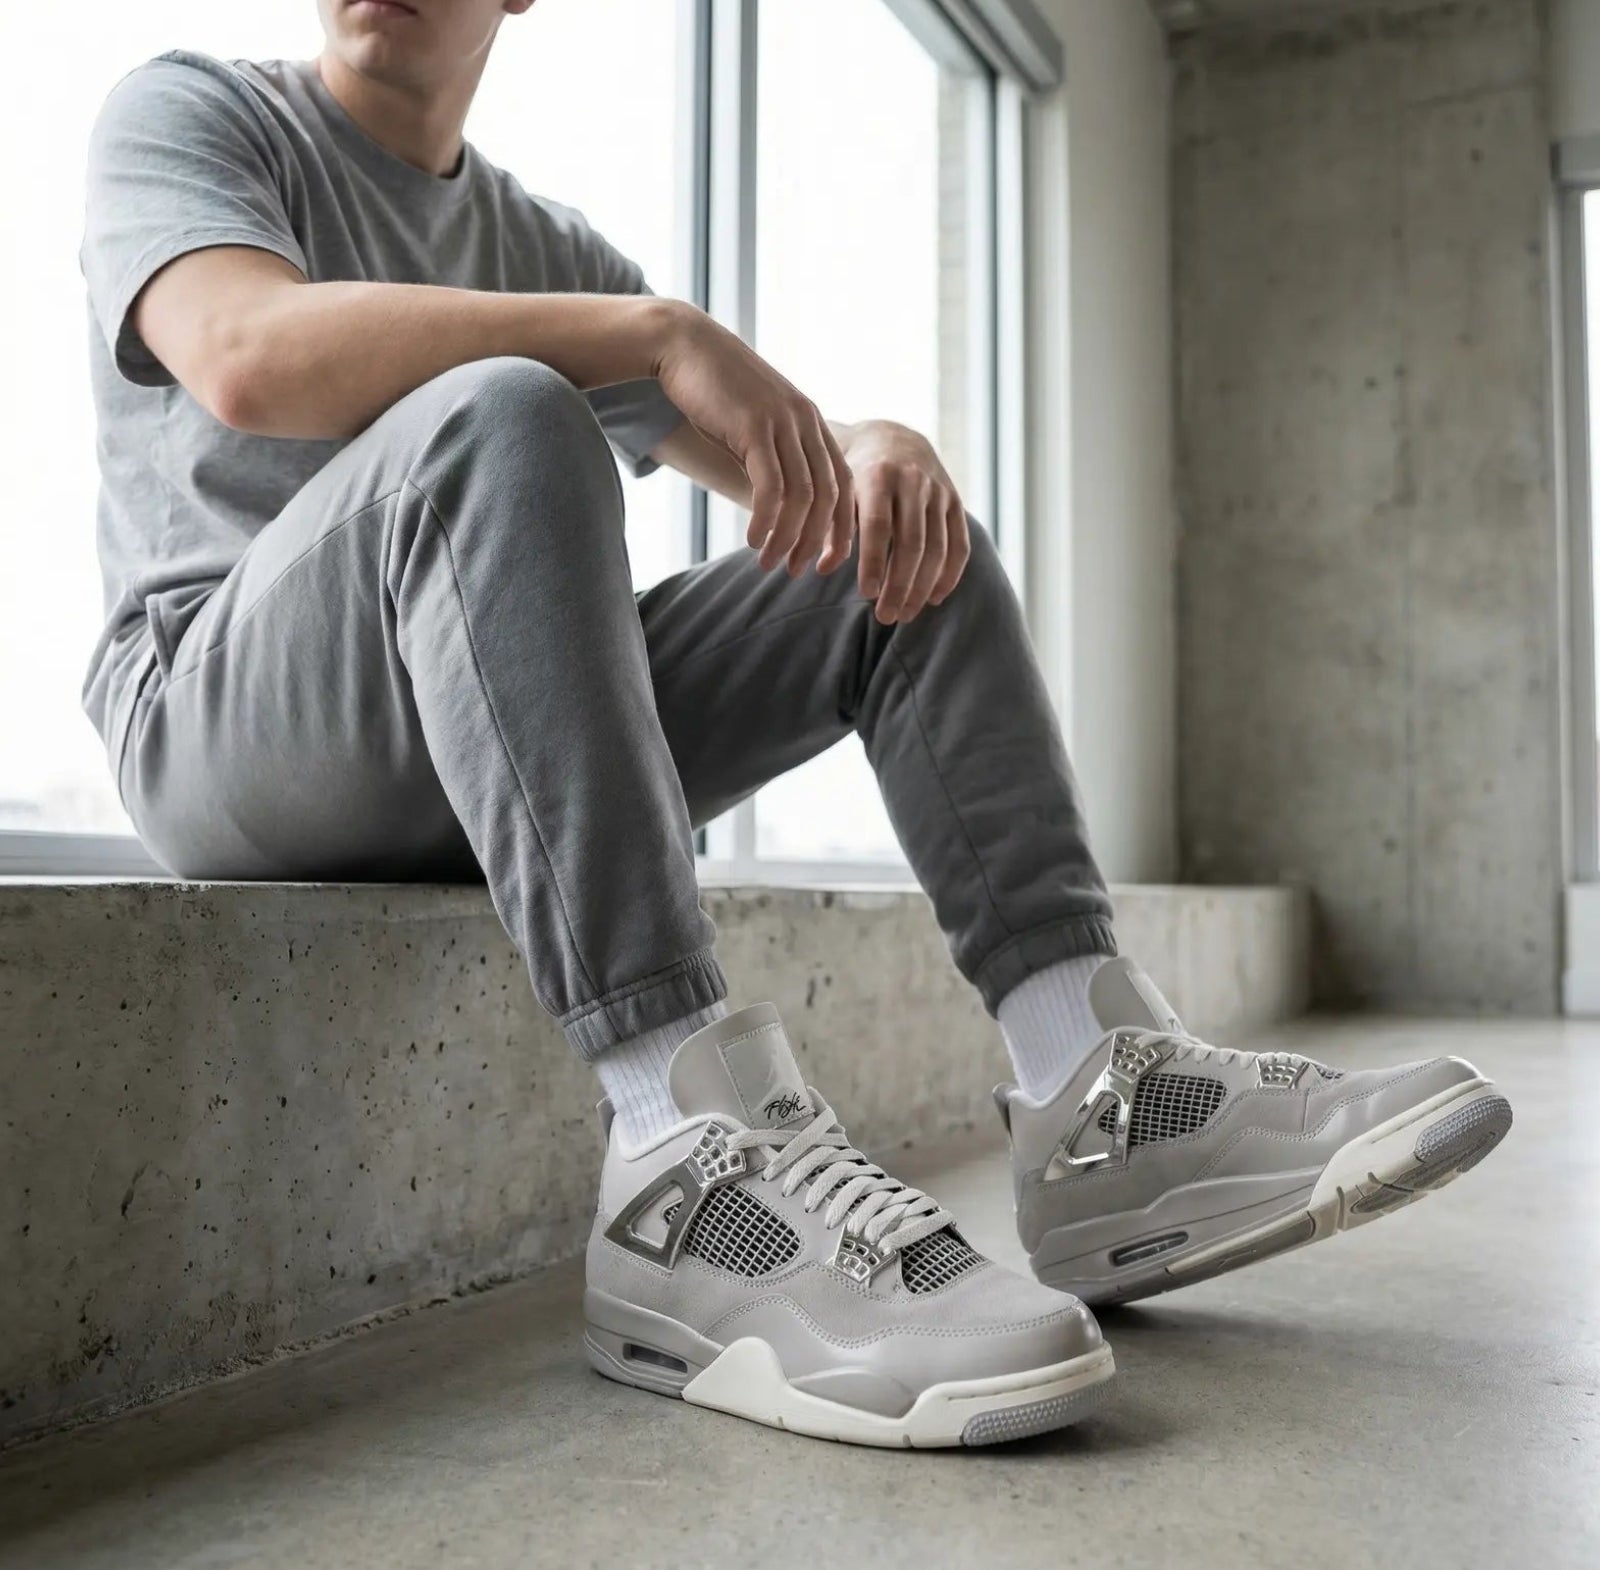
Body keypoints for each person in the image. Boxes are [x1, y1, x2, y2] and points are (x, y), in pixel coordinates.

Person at [80, 0, 1513, 1450]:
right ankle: (684, 1162)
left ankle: (1098, 1097)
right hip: (226, 727)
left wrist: (874, 450)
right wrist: (647, 335)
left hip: (474, 750)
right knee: (512, 414)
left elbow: (796, 475)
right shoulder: (197, 113)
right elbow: (245, 351)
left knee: (900, 553)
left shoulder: (540, 246)